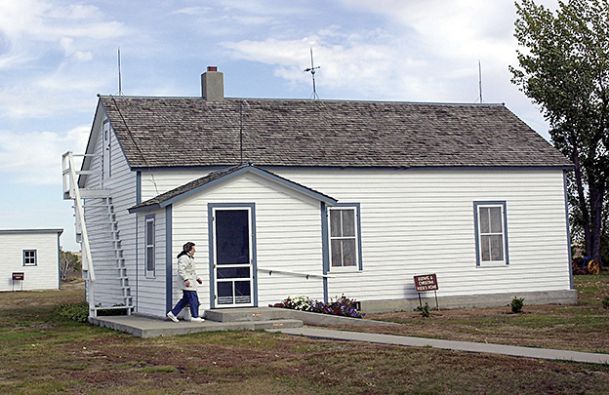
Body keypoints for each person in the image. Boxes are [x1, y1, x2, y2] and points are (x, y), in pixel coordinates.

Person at [166, 242, 205, 323]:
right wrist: (186, 279)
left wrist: (197, 278)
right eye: (194, 249)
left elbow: (191, 271)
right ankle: (195, 316)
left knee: (186, 299)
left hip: (191, 281)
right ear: (189, 249)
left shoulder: (190, 258)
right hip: (188, 283)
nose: (195, 250)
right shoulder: (184, 258)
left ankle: (173, 313)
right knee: (193, 299)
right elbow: (181, 270)